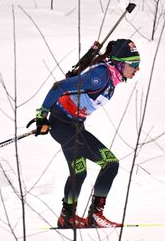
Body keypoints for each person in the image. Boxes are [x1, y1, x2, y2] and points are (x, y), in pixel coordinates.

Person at [29, 38, 142, 229]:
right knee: (110, 163)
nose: (137, 69)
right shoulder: (100, 75)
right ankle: (96, 216)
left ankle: (67, 217)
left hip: (72, 126)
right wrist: (42, 116)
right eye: (134, 64)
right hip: (65, 125)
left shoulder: (110, 77)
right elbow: (59, 86)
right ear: (121, 63)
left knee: (79, 171)